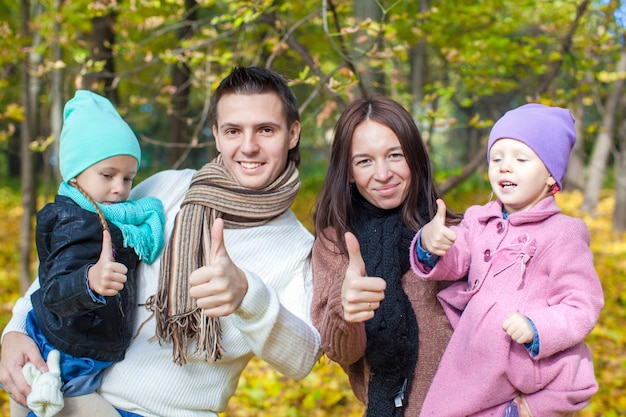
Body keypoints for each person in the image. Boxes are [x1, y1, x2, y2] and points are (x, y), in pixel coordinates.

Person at [1, 65, 321, 417]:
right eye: (233, 130)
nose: (248, 146)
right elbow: (76, 250)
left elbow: (304, 357)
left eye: (266, 130)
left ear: (292, 134)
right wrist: (16, 330)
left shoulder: (297, 249)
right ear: (216, 135)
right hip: (67, 388)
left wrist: (248, 295)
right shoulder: (166, 188)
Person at [411, 103, 604, 416]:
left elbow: (582, 304)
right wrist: (432, 246)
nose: (504, 166)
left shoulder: (563, 233)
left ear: (550, 177)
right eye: (496, 158)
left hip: (517, 360)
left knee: (569, 376)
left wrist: (537, 326)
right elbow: (457, 258)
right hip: (471, 352)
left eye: (520, 158)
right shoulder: (479, 218)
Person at [9, 90, 166, 417]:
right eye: (107, 175)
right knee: (53, 403)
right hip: (68, 348)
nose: (120, 188)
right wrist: (88, 282)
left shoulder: (108, 216)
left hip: (89, 346)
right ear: (75, 175)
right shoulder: (75, 224)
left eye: (128, 177)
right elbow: (54, 291)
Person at [310, 96, 459, 416]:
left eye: (395, 155)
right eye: (364, 161)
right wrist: (345, 310)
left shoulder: (456, 235)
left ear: (415, 158)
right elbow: (342, 353)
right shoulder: (336, 243)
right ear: (348, 172)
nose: (383, 174)